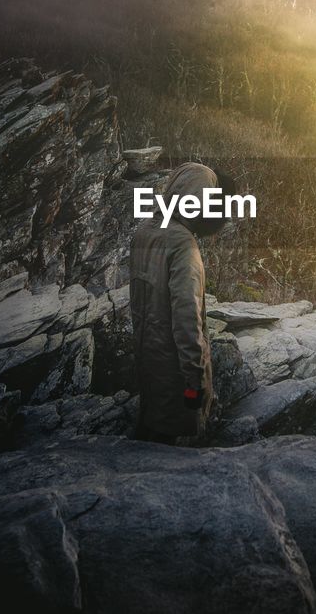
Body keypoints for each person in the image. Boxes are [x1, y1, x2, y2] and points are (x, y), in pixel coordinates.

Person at [128, 162, 230, 444]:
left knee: (148, 435)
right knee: (170, 454)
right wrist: (195, 381)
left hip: (147, 361)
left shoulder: (144, 231)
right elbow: (187, 317)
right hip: (175, 370)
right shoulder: (182, 243)